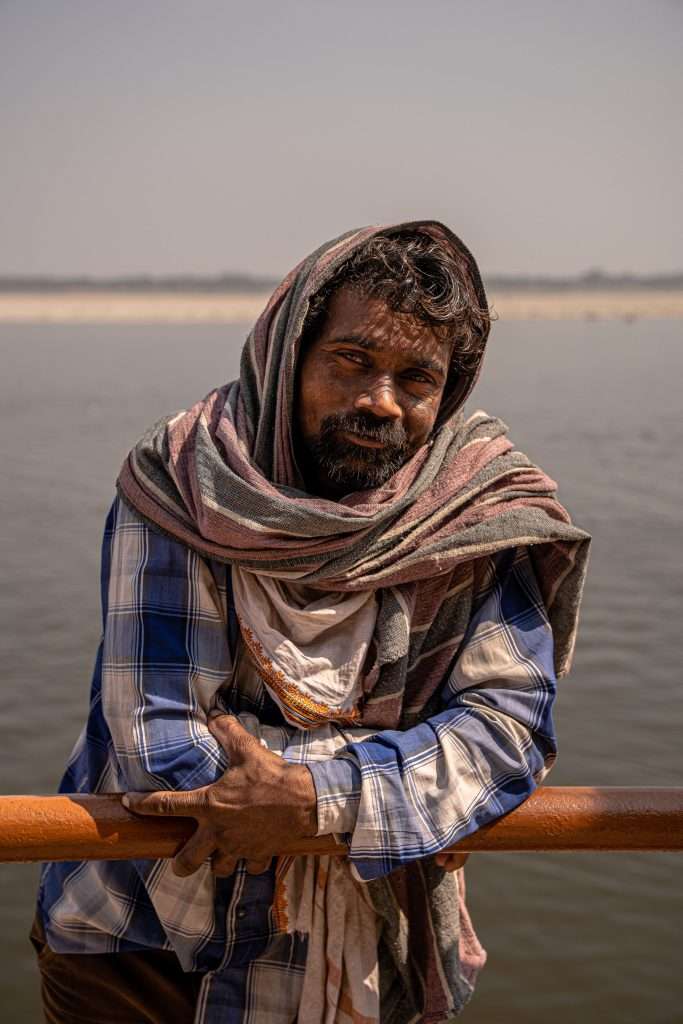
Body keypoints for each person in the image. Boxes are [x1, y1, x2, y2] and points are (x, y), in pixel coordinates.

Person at [32, 220, 590, 1024]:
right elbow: (161, 741)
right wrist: (396, 787)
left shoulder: (477, 511)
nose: (379, 402)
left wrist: (313, 799)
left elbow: (505, 732)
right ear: (290, 352)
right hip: (141, 938)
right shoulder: (186, 478)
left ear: (450, 391)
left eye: (416, 378)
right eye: (351, 362)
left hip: (366, 954)